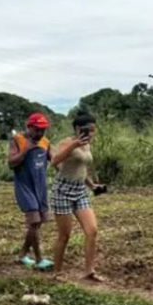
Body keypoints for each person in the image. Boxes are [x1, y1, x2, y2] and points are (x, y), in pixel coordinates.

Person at [51, 113, 106, 282]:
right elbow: (54, 161)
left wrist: (92, 185)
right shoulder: (67, 143)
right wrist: (74, 145)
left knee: (92, 230)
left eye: (92, 130)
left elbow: (82, 167)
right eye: (86, 130)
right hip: (63, 191)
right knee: (65, 235)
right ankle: (57, 272)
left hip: (80, 190)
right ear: (77, 129)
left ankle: (89, 270)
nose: (90, 134)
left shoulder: (87, 146)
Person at [8, 113, 53, 271]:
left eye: (43, 130)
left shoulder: (45, 142)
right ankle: (39, 259)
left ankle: (22, 255)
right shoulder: (18, 141)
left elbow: (54, 160)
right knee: (34, 221)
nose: (40, 133)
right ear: (29, 127)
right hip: (25, 187)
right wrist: (25, 151)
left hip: (40, 188)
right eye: (37, 130)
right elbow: (11, 163)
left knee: (37, 224)